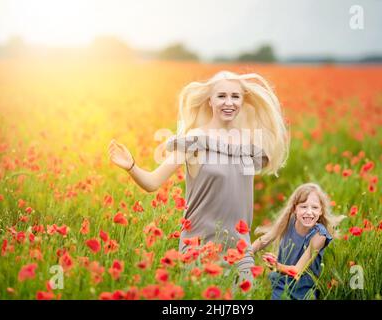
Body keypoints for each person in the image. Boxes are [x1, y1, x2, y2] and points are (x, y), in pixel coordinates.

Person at [108, 70, 289, 285]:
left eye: (235, 96)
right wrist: (131, 166)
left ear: (242, 100)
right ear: (210, 100)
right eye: (221, 96)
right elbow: (152, 182)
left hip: (240, 246)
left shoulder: (250, 145)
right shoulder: (193, 140)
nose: (228, 102)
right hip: (199, 244)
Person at [252, 183, 345, 299]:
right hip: (281, 284)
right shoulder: (288, 221)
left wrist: (277, 266)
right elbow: (265, 239)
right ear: (295, 209)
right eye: (303, 206)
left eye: (314, 207)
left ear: (321, 210)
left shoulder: (320, 235)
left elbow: (297, 271)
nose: (309, 212)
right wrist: (247, 252)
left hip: (303, 290)